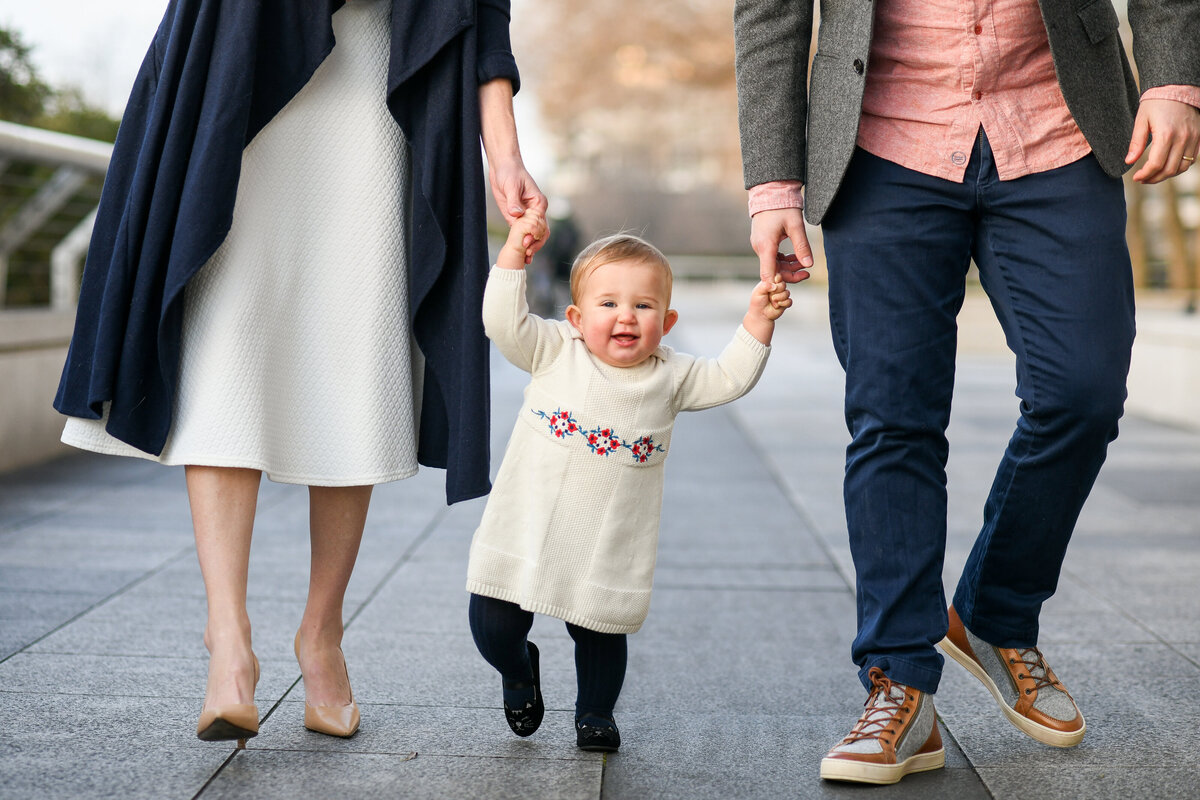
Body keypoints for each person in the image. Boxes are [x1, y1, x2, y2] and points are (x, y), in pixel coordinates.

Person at [52, 0, 545, 745]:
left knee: (355, 354)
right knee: (224, 347)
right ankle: (228, 642)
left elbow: (482, 8)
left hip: (382, 82)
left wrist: (502, 151)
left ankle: (321, 636)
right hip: (239, 67)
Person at [733, 0, 1200, 786]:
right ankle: (901, 687)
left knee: (1082, 391)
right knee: (892, 419)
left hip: (1058, 125)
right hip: (881, 140)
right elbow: (770, 13)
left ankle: (994, 610)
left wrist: (1176, 78)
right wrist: (773, 183)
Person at [465, 215, 794, 751]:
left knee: (600, 630)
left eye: (643, 306)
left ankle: (595, 711)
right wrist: (513, 259)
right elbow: (502, 322)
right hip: (527, 529)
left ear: (666, 322)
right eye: (609, 303)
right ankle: (519, 669)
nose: (626, 316)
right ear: (575, 316)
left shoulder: (672, 375)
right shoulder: (553, 351)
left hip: (607, 543)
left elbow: (731, 375)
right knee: (493, 625)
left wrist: (758, 318)